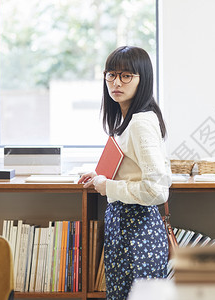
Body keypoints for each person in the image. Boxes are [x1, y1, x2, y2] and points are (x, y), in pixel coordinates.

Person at [78, 46, 172, 300]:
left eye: (126, 76)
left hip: (137, 227)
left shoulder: (141, 122)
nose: (116, 82)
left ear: (143, 79)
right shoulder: (129, 119)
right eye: (111, 74)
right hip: (125, 224)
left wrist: (108, 186)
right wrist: (102, 176)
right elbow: (135, 171)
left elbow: (157, 189)